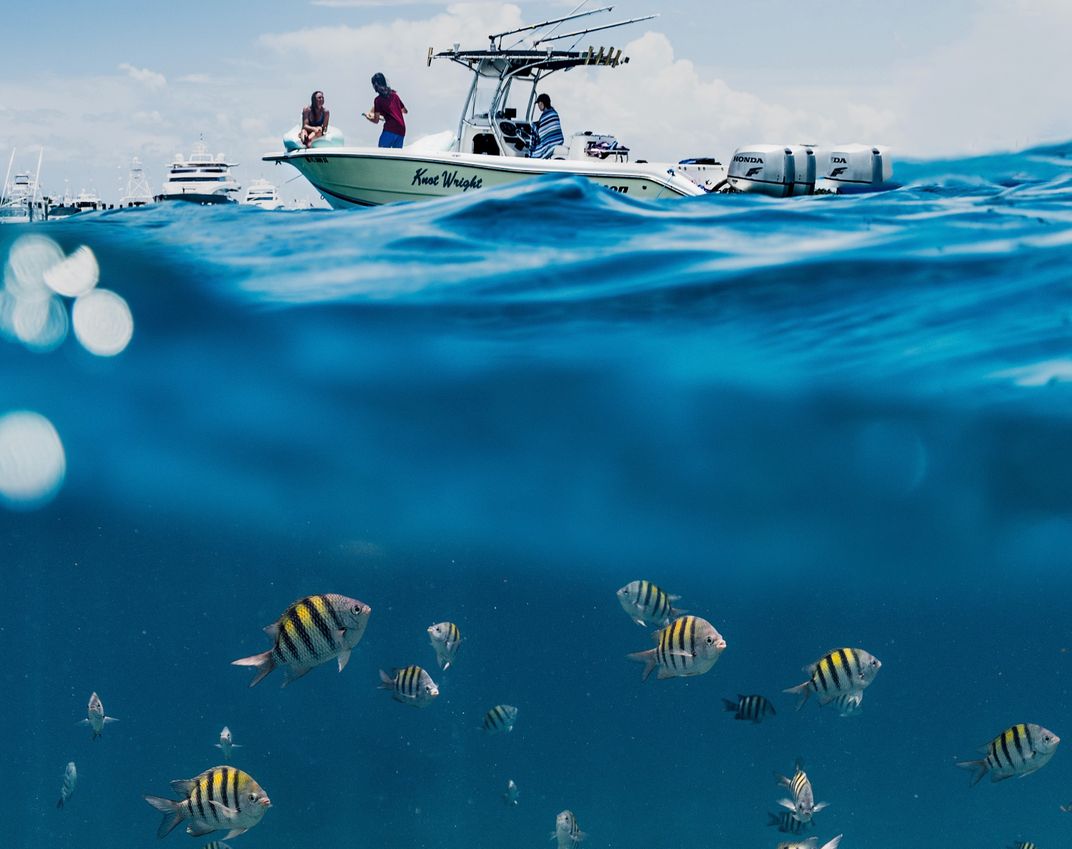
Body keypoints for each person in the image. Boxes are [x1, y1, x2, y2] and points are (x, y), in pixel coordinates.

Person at [364, 73, 407, 148]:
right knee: (395, 156)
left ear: (375, 85)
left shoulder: (378, 100)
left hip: (390, 129)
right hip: (401, 130)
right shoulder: (395, 96)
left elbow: (376, 120)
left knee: (382, 152)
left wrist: (367, 116)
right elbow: (405, 111)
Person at [529, 93, 564, 159]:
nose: (538, 106)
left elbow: (541, 129)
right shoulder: (554, 112)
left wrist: (533, 126)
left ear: (542, 103)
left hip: (550, 143)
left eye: (538, 104)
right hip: (558, 140)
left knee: (534, 153)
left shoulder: (545, 115)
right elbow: (545, 126)